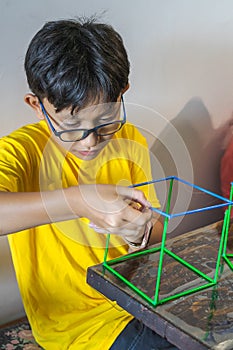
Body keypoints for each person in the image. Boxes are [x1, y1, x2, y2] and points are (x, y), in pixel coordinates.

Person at [0, 18, 177, 349]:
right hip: (81, 325)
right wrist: (79, 200)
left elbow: (155, 231)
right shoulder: (21, 150)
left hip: (140, 301)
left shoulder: (130, 139)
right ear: (37, 105)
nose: (91, 141)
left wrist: (139, 233)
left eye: (105, 121)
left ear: (122, 94)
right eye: (71, 123)